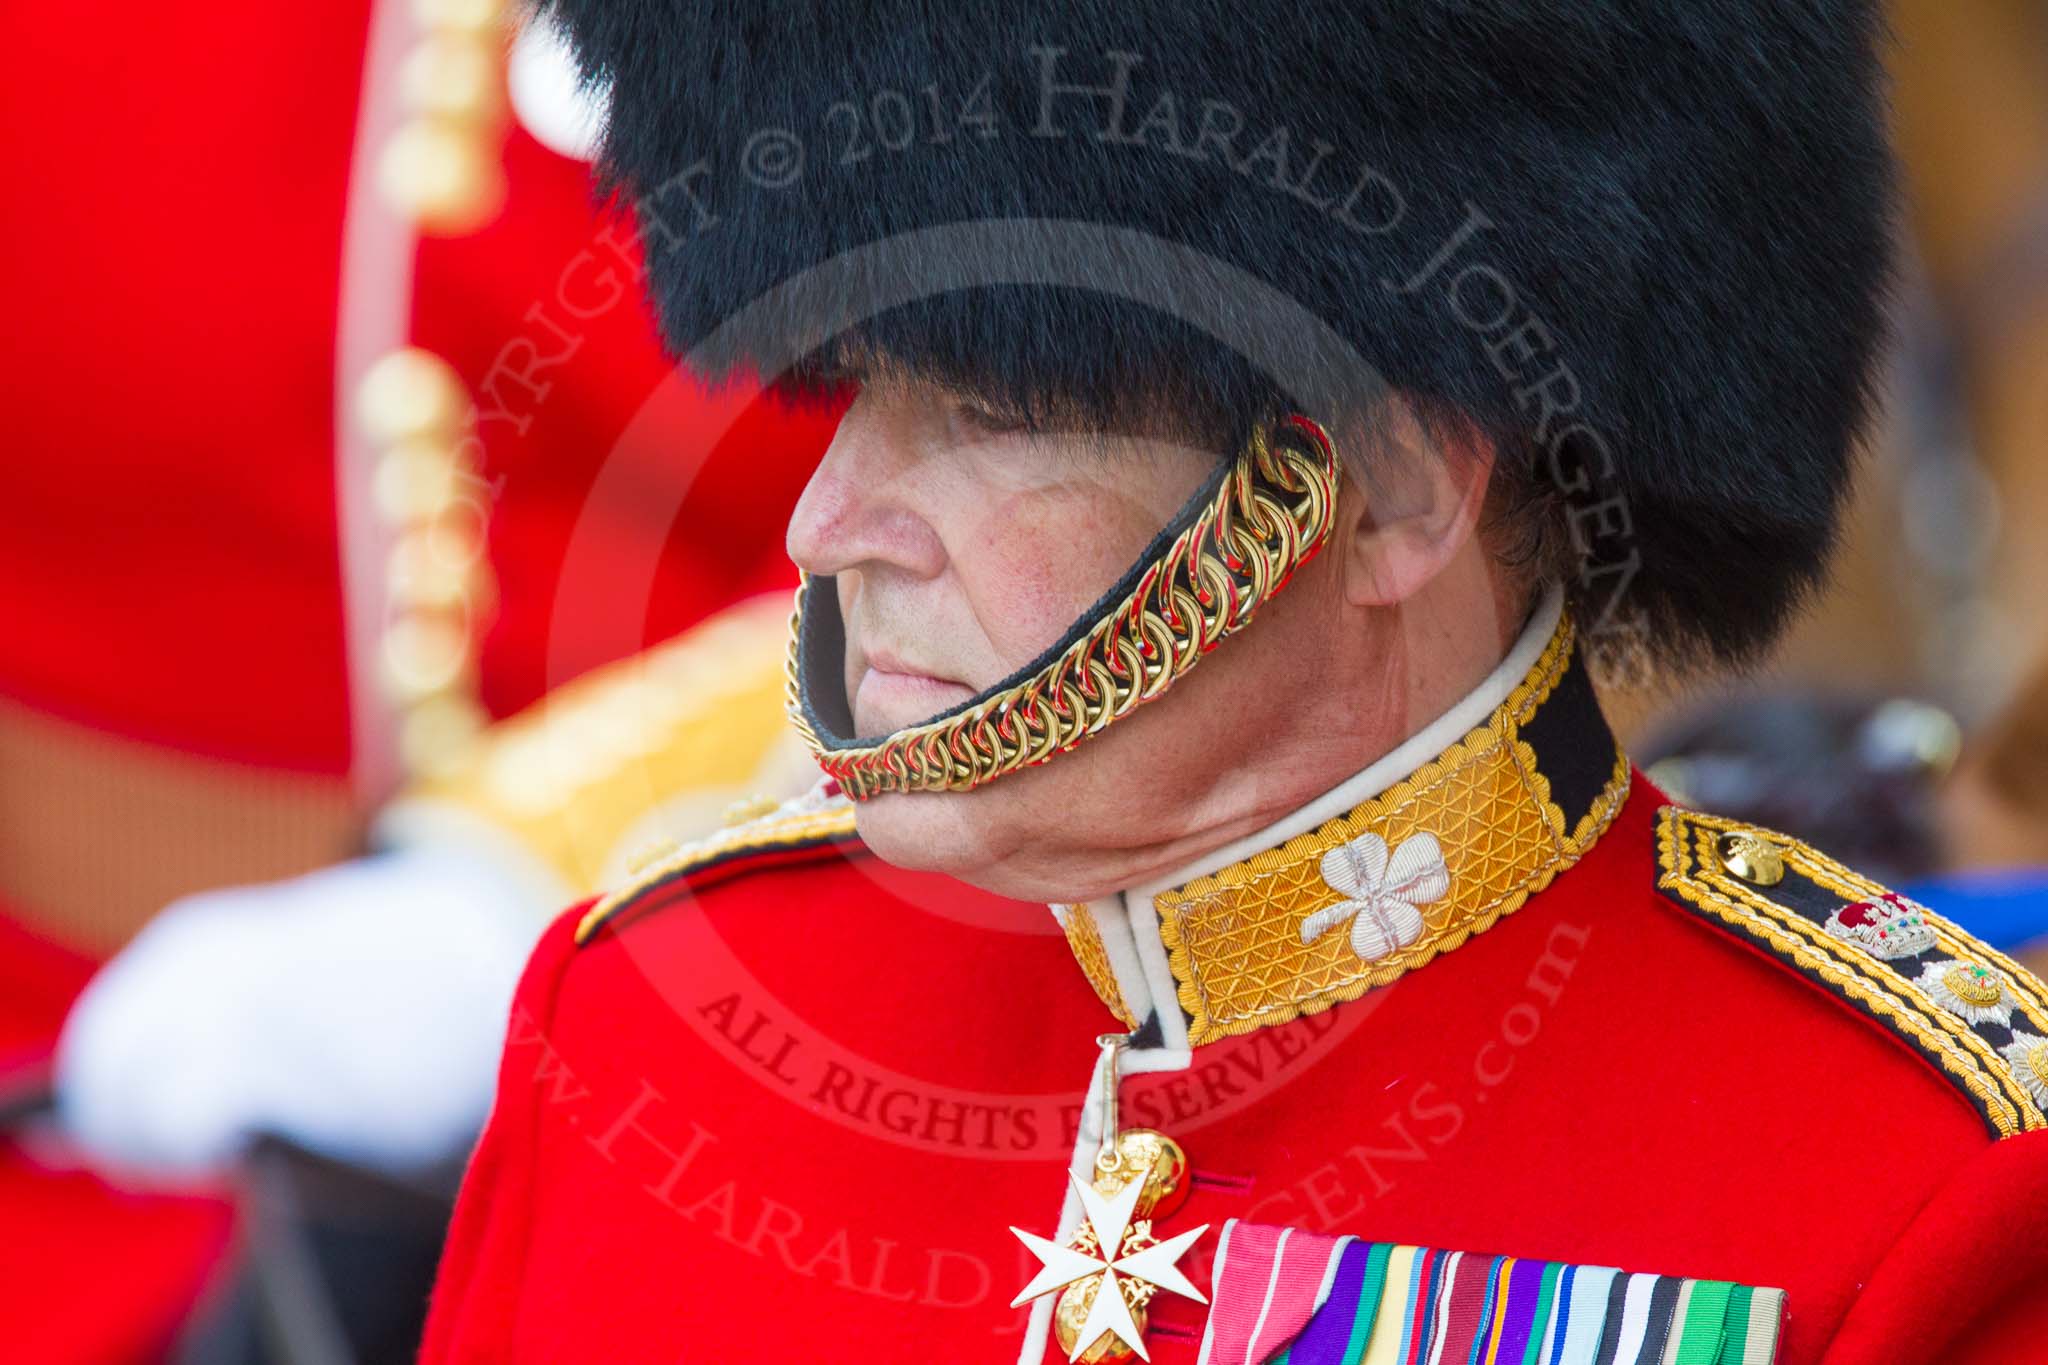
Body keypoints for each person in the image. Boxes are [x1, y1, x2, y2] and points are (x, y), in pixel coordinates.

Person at [421, 4, 2048, 1362]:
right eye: (853, 382)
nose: (821, 518)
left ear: (1397, 486)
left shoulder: (1904, 1185)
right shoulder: (635, 1029)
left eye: (991, 411)